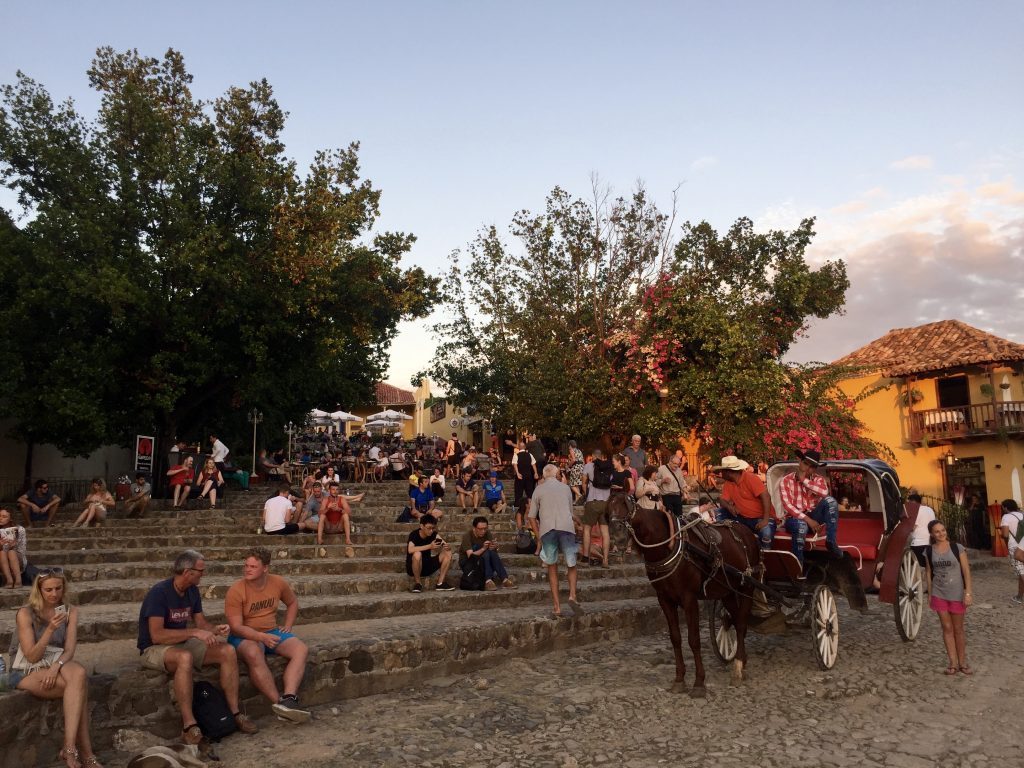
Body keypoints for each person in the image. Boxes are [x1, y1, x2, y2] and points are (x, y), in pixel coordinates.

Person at [137, 550, 258, 744]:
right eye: (200, 570)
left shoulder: (192, 591)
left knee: (227, 651)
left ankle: (235, 713)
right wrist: (194, 633)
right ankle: (189, 725)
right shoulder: (159, 593)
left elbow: (201, 624)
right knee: (184, 657)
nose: (203, 574)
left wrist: (215, 629)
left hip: (181, 643)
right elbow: (157, 635)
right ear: (187, 572)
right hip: (153, 648)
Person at [12, 568, 102, 768]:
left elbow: (69, 649)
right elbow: (32, 656)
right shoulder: (25, 613)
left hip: (56, 662)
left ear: (64, 587)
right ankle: (86, 754)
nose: (54, 594)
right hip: (26, 668)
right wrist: (50, 629)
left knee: (78, 673)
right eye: (49, 590)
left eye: (58, 588)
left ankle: (69, 748)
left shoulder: (70, 611)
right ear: (39, 590)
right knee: (79, 688)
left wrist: (55, 668)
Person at [224, 547, 311, 723]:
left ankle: (289, 698)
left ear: (265, 568)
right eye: (246, 565)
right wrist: (260, 637)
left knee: (301, 649)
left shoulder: (277, 582)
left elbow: (292, 602)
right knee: (253, 653)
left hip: (271, 631)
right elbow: (236, 626)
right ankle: (278, 703)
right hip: (244, 636)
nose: (247, 569)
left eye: (253, 566)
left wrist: (287, 625)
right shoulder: (236, 590)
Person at [529, 463, 582, 617]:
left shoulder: (538, 489)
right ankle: (572, 595)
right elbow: (570, 512)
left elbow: (531, 516)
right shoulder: (566, 488)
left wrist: (538, 536)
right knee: (571, 564)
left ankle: (557, 607)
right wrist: (578, 523)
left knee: (552, 567)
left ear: (544, 475)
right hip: (566, 528)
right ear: (557, 474)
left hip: (547, 530)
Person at [925, 519, 973, 675]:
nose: (941, 533)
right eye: (937, 531)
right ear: (932, 534)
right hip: (939, 593)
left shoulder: (957, 548)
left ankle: (963, 662)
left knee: (958, 629)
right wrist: (930, 594)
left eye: (943, 530)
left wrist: (968, 592)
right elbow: (928, 573)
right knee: (946, 628)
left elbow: (966, 571)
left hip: (957, 593)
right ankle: (952, 663)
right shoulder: (929, 551)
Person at [778, 449, 841, 564]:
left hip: (814, 515)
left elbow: (824, 493)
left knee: (831, 501)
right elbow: (788, 506)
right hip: (794, 519)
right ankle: (798, 566)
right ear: (800, 462)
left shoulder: (818, 479)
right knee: (801, 525)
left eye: (812, 467)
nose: (807, 468)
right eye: (806, 463)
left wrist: (804, 480)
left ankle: (831, 541)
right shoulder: (786, 480)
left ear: (815, 469)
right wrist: (808, 520)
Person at [709, 456, 777, 549]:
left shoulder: (751, 478)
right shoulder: (729, 483)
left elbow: (766, 497)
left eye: (723, 471)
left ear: (729, 472)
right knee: (719, 511)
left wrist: (765, 520)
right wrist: (730, 507)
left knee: (766, 534)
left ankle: (764, 558)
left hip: (761, 518)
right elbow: (722, 500)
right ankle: (725, 543)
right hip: (743, 518)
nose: (720, 474)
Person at [460, 516, 515, 590]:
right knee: (484, 551)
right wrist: (483, 548)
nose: (483, 531)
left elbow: (492, 552)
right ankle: (488, 580)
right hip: (468, 564)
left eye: (485, 528)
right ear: (474, 528)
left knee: (490, 552)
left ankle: (504, 579)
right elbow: (470, 556)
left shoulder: (487, 533)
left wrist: (494, 547)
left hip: (483, 562)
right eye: (480, 529)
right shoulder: (467, 536)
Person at [581, 450, 613, 568]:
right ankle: (605, 560)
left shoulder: (589, 466)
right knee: (605, 532)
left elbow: (584, 482)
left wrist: (586, 494)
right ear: (602, 457)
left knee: (587, 529)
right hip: (606, 503)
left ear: (593, 457)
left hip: (592, 501)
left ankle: (585, 558)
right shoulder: (610, 467)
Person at [406, 514, 454, 593]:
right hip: (414, 567)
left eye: (433, 528)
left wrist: (446, 546)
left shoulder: (433, 534)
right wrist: (429, 546)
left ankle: (440, 583)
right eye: (429, 528)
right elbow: (410, 550)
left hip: (427, 566)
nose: (431, 531)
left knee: (447, 552)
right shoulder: (414, 534)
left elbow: (444, 544)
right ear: (422, 526)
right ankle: (418, 583)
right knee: (417, 554)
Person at [317, 482, 355, 557]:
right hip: (329, 527)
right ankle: (319, 539)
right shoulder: (325, 500)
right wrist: (328, 508)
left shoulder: (342, 499)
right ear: (329, 491)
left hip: (339, 527)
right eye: (333, 489)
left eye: (337, 489)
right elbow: (319, 514)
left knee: (345, 515)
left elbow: (349, 513)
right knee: (322, 516)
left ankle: (348, 539)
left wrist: (339, 509)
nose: (335, 491)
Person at [998, 499, 1024, 605]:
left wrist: (1000, 534)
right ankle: (1019, 596)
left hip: (1015, 546)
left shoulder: (1006, 517)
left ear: (1005, 507)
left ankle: (1020, 596)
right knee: (1021, 572)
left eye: (1003, 507)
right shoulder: (1022, 514)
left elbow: (1005, 535)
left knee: (1021, 571)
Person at [0, 507, 28, 588]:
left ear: (11, 519)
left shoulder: (20, 529)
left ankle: (18, 580)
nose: (0, 518)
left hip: (17, 559)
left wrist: (14, 546)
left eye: (4, 517)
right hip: (1, 560)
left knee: (11, 552)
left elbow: (22, 551)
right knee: (1, 552)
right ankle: (9, 580)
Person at [513, 440, 538, 527]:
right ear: (525, 447)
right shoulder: (530, 455)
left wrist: (517, 473)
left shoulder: (516, 455)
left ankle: (518, 505)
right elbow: (533, 464)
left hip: (520, 475)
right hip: (528, 475)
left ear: (519, 447)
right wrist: (535, 473)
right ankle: (532, 505)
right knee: (530, 491)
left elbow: (515, 464)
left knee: (518, 490)